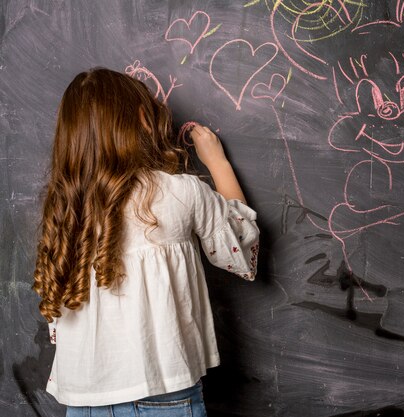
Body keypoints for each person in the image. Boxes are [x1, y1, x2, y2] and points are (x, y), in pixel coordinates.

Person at [32, 68, 260, 416]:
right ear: (140, 118)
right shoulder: (180, 191)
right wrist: (218, 162)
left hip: (83, 400)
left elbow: (59, 322)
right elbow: (241, 248)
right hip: (162, 393)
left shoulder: (65, 210)